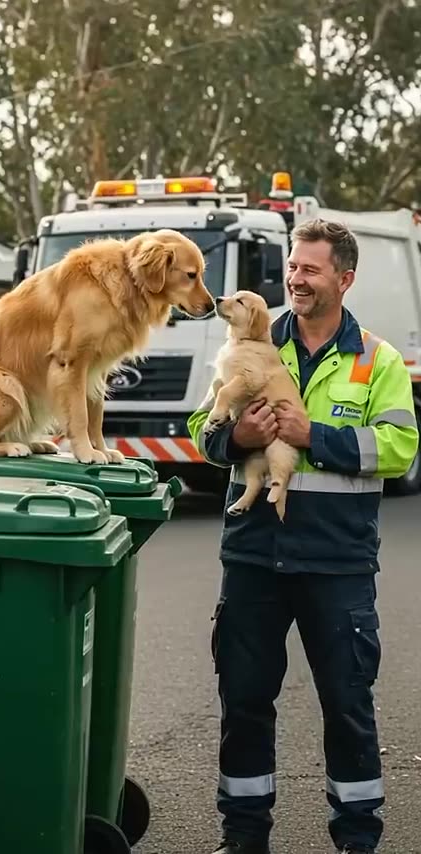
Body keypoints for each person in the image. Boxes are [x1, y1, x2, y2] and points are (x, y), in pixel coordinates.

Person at [187, 219, 419, 854]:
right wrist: (236, 437)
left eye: (311, 269)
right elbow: (201, 427)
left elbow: (399, 447)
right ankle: (243, 838)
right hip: (254, 556)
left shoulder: (377, 359)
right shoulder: (253, 339)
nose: (296, 279)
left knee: (347, 705)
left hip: (337, 563)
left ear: (345, 279)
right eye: (293, 267)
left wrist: (312, 435)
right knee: (244, 704)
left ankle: (357, 840)